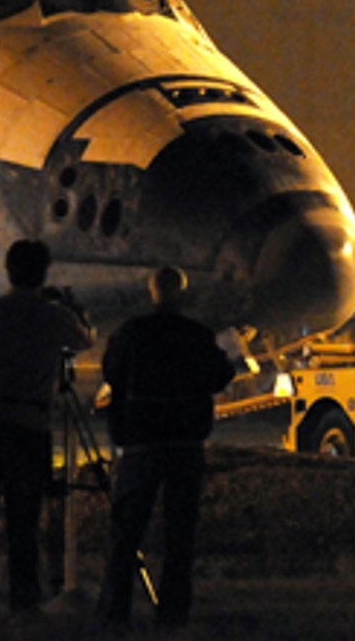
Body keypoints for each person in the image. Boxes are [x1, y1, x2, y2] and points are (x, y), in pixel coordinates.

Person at [95, 266, 240, 629]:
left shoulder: (131, 334)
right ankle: (173, 616)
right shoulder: (196, 335)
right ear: (183, 293)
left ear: (152, 292)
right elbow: (220, 377)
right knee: (180, 537)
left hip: (142, 445)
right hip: (185, 445)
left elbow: (112, 371)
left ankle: (115, 614)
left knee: (125, 534)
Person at [0, 239, 94, 615]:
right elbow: (84, 339)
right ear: (43, 272)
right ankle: (24, 595)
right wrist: (71, 308)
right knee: (24, 514)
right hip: (27, 423)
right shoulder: (52, 315)